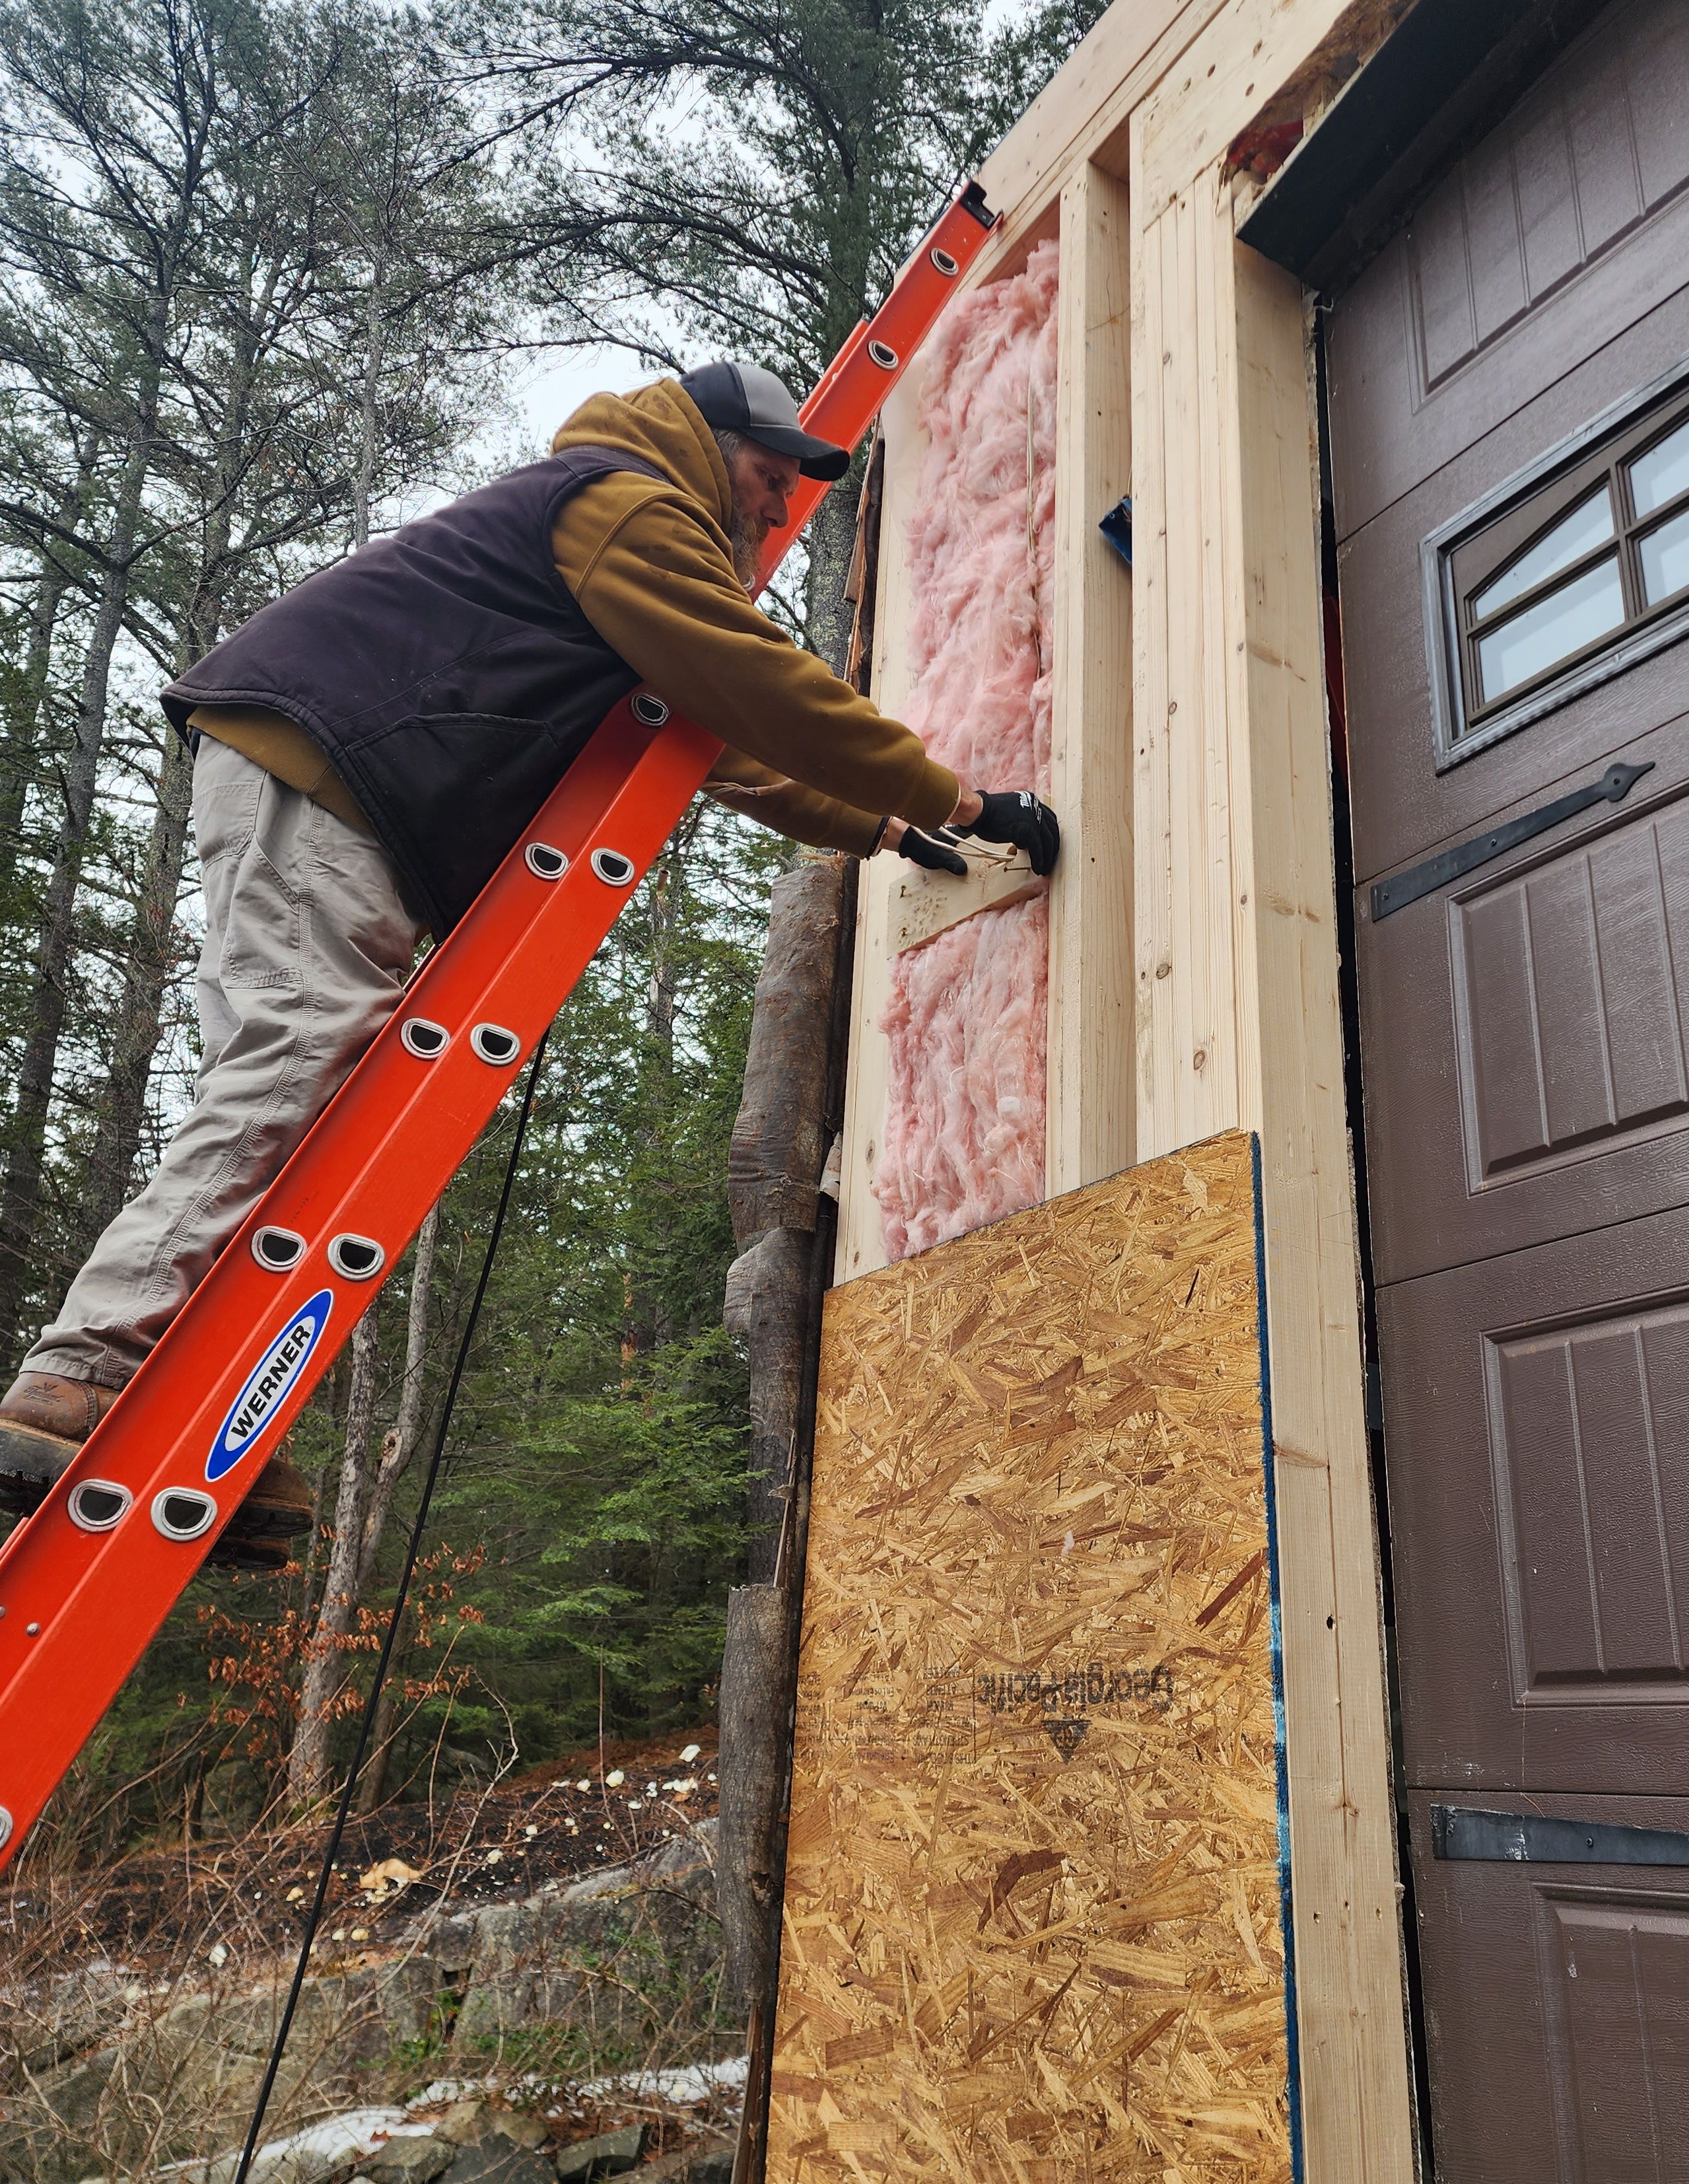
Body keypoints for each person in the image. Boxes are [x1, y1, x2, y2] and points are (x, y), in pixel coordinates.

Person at [0, 362, 1058, 1559]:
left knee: (333, 1108)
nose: (774, 513)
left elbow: (715, 746)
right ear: (711, 446)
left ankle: (187, 1411)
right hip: (325, 773)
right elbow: (755, 685)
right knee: (294, 1066)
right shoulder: (625, 503)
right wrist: (957, 795)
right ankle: (85, 1372)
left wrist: (882, 826)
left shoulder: (627, 541)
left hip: (344, 791)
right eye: (769, 479)